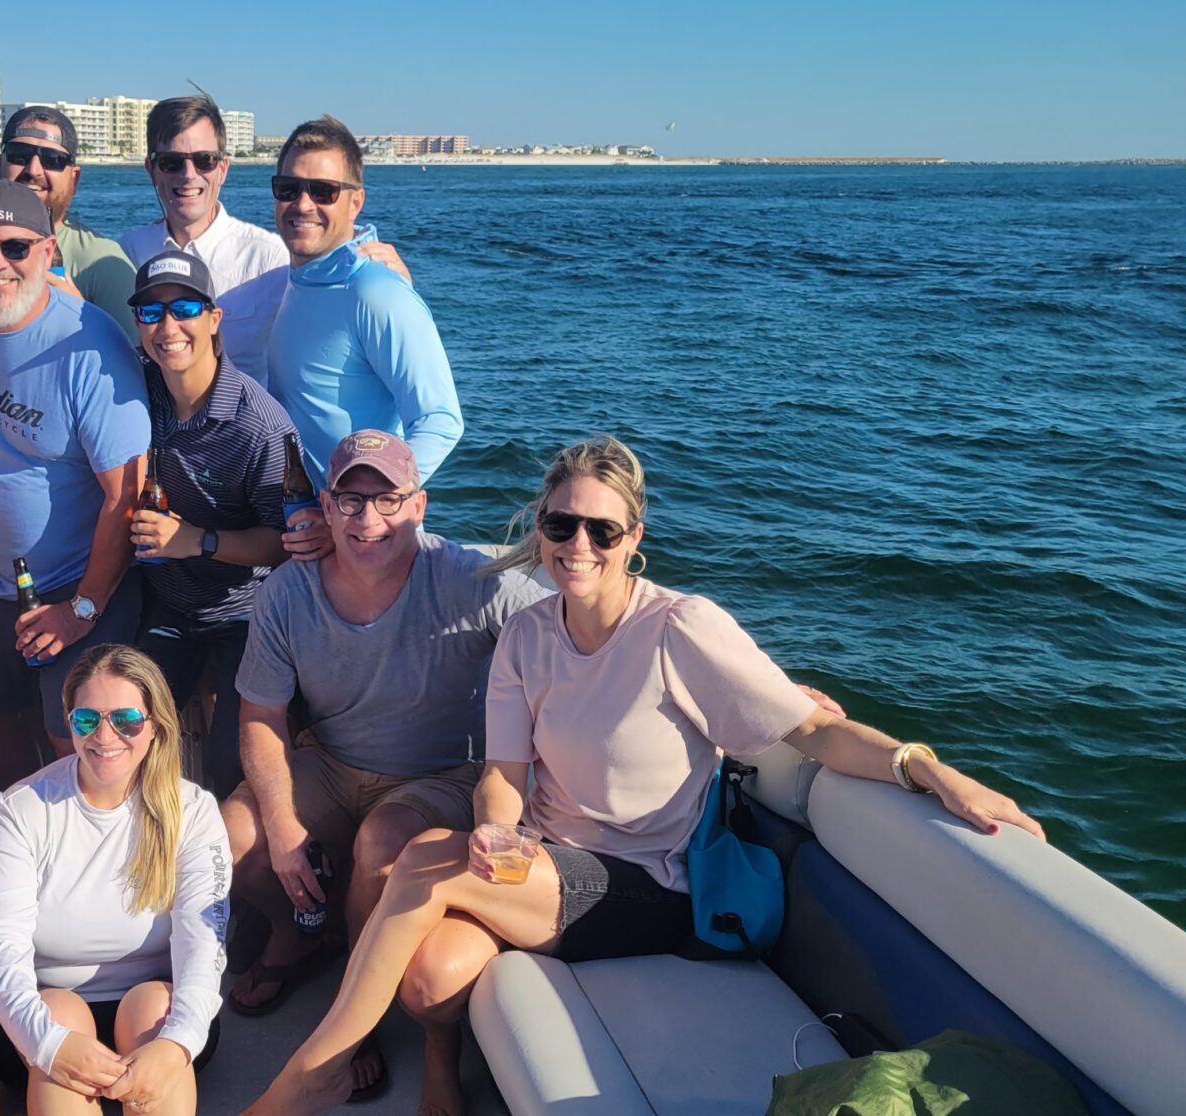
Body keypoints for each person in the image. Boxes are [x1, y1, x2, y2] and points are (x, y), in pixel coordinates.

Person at [243, 435, 1047, 1116]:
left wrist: (926, 769)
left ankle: (299, 1087)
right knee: (428, 975)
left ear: (634, 536)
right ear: (542, 529)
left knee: (419, 858)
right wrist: (493, 823)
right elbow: (503, 775)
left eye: (602, 529)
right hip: (546, 862)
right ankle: (443, 1069)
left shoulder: (681, 629)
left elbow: (816, 735)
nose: (579, 545)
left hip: (646, 884)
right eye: (562, 525)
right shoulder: (527, 634)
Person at [222, 430, 553, 1101]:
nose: (367, 520)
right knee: (234, 835)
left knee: (383, 840)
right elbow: (260, 717)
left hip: (442, 775)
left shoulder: (471, 580)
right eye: (350, 500)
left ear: (420, 506)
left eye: (388, 500)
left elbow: (576, 627)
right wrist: (283, 826)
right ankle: (299, 936)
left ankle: (353, 1013)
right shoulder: (287, 593)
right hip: (335, 763)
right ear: (325, 503)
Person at [0, 180, 150, 788]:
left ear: (49, 252)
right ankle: (22, 825)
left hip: (81, 582)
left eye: (15, 248)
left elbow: (124, 494)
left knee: (71, 733)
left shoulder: (92, 343)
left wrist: (81, 608)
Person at [0, 645, 231, 1116]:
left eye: (127, 719)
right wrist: (49, 1044)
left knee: (152, 1003)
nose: (105, 735)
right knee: (60, 1011)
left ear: (155, 726)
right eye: (87, 720)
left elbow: (203, 946)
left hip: (155, 1019)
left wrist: (176, 1044)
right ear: (68, 721)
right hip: (40, 1021)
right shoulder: (20, 810)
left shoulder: (192, 811)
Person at [124, 250, 296, 797]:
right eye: (151, 313)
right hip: (164, 602)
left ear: (214, 319)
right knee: (130, 735)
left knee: (232, 759)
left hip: (242, 614)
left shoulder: (261, 426)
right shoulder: (139, 391)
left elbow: (283, 543)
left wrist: (195, 541)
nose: (168, 327)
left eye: (185, 309)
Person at [264, 115, 461, 561]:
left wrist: (362, 511)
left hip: (365, 546)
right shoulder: (295, 281)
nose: (304, 203)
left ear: (355, 203)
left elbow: (441, 419)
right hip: (307, 536)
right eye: (289, 189)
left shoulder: (375, 291)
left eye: (324, 191)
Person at [122, 97, 415, 389]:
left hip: (247, 429)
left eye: (204, 161)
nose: (188, 176)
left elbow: (336, 310)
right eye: (171, 162)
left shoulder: (271, 257)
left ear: (223, 168)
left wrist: (391, 284)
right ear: (151, 168)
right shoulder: (125, 255)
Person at [0, 106, 136, 327]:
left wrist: (80, 315)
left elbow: (136, 354)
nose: (34, 170)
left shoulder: (103, 260)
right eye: (19, 155)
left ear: (74, 178)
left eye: (53, 159)